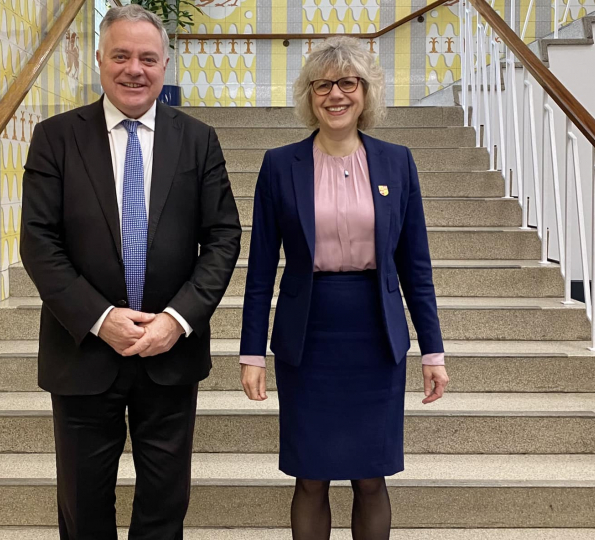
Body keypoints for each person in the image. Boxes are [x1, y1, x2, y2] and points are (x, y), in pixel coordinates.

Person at [20, 5, 241, 539]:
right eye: (121, 55)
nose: (134, 69)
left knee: (165, 506)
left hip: (171, 352)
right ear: (99, 60)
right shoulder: (55, 137)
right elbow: (38, 242)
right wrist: (100, 318)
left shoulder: (198, 139)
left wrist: (177, 320)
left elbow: (223, 238)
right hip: (84, 352)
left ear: (165, 64)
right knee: (82, 505)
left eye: (147, 57)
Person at [239, 37, 449, 539]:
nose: (336, 95)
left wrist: (433, 350)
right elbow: (261, 266)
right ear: (309, 95)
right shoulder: (278, 165)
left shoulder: (397, 162)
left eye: (347, 83)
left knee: (371, 476)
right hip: (307, 335)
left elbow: (415, 265)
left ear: (365, 91)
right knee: (310, 476)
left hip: (375, 334)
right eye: (323, 85)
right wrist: (251, 352)